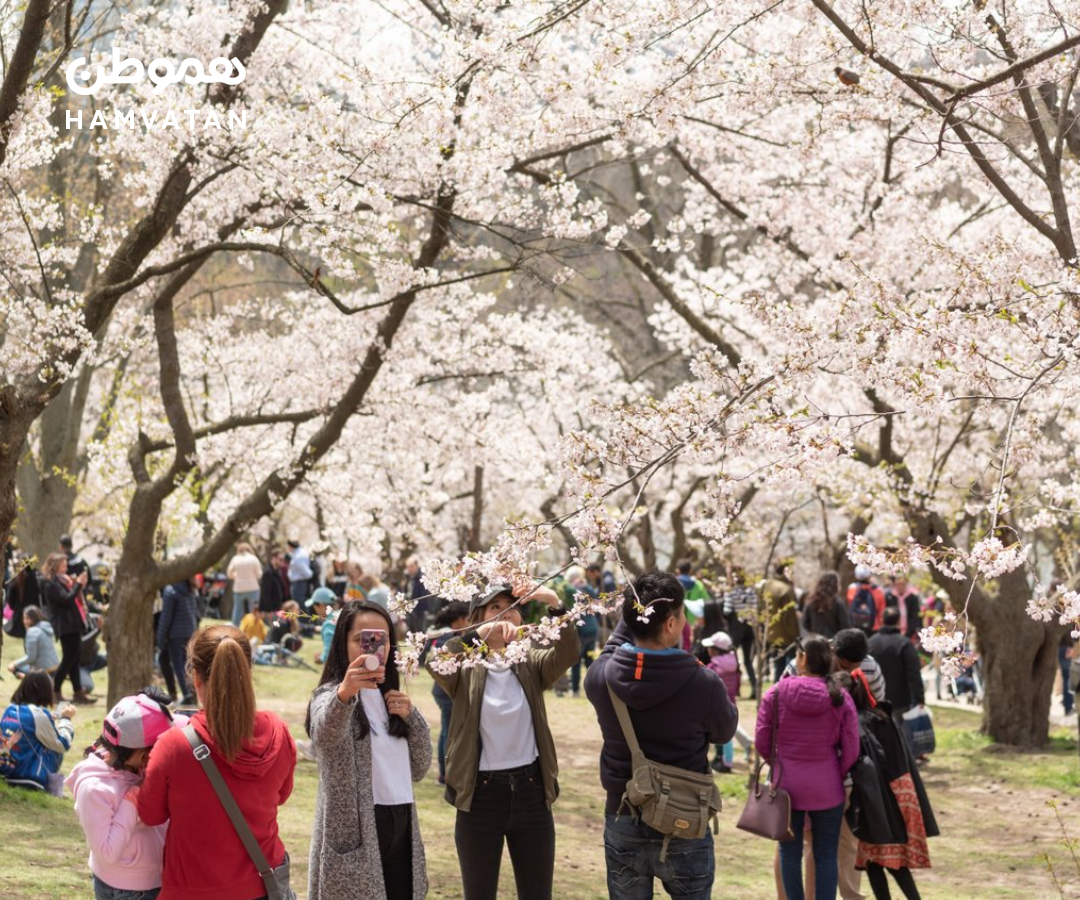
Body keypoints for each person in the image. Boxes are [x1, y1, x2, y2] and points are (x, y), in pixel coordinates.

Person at [585, 571, 738, 900]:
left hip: (623, 812)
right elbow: (724, 730)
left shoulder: (601, 677)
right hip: (685, 817)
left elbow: (614, 645)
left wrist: (636, 607)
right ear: (670, 623)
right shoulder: (704, 683)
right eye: (681, 614)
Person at [427, 581, 579, 900]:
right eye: (495, 608)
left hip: (532, 791)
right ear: (478, 618)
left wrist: (554, 603)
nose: (505, 615)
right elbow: (435, 662)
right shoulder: (465, 667)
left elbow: (568, 653)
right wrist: (476, 637)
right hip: (480, 795)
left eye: (512, 608)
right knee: (479, 892)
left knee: (537, 893)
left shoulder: (530, 662)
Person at [137, 625, 296, 900]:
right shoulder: (279, 733)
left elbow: (150, 814)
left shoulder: (174, 746)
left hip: (192, 890)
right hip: (263, 885)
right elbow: (281, 795)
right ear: (249, 672)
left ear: (195, 677)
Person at [306, 600, 432, 900]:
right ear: (343, 644)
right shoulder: (329, 696)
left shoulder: (394, 700)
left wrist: (411, 718)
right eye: (361, 638)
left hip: (401, 824)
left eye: (382, 638)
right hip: (355, 833)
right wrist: (345, 694)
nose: (374, 645)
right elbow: (323, 736)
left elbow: (420, 767)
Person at [756, 635, 859, 900]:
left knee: (789, 854)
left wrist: (777, 764)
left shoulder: (776, 692)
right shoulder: (840, 697)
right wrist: (838, 771)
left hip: (786, 785)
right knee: (825, 854)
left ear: (802, 658)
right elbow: (851, 748)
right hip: (827, 786)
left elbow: (762, 741)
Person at [67, 691, 178, 900]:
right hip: (133, 890)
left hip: (147, 881)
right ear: (143, 755)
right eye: (158, 749)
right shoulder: (94, 789)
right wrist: (135, 796)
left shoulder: (132, 767)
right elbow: (107, 852)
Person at [843, 672, 937, 900]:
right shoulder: (886, 715)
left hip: (883, 797)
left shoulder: (860, 724)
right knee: (875, 859)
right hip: (902, 792)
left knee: (888, 860)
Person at [0, 671, 75, 790]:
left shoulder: (10, 709)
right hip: (28, 778)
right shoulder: (38, 715)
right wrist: (66, 719)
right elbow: (62, 744)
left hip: (5, 773)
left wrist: (48, 718)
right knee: (54, 746)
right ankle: (53, 788)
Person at [41, 551, 94, 704]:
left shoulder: (64, 581)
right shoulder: (51, 584)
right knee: (69, 658)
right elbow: (68, 599)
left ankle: (78, 692)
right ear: (55, 566)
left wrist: (76, 585)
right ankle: (54, 689)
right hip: (65, 625)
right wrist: (78, 585)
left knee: (75, 658)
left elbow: (71, 597)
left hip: (73, 624)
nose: (66, 567)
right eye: (63, 564)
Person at [702, 630, 753, 772]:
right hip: (731, 701)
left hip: (716, 705)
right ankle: (725, 758)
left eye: (710, 647)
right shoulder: (734, 664)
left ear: (716, 650)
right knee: (729, 729)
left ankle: (727, 762)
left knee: (724, 736)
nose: (708, 649)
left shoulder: (713, 667)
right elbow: (737, 685)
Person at [430, 601, 469, 785]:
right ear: (460, 620)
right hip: (445, 691)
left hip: (445, 691)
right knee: (448, 732)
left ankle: (446, 774)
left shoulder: (448, 634)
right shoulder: (447, 637)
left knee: (448, 732)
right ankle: (446, 775)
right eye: (468, 618)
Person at [867, 609, 925, 721]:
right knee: (900, 734)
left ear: (881, 620)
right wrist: (919, 698)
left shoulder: (870, 643)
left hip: (875, 699)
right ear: (899, 622)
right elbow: (913, 672)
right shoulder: (904, 643)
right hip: (901, 700)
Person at [157, 578, 199, 705]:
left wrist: (160, 638)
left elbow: (166, 617)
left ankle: (187, 694)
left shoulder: (171, 591)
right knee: (188, 665)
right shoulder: (190, 588)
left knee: (178, 665)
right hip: (189, 631)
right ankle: (192, 693)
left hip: (175, 634)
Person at [723, 566, 759, 697]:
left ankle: (736, 688)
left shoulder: (731, 593)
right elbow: (755, 610)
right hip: (749, 628)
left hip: (736, 629)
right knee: (748, 661)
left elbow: (726, 611)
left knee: (733, 658)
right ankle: (755, 687)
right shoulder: (752, 592)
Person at [762, 562, 800, 683]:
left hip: (771, 632)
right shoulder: (784, 589)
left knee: (777, 665)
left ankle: (776, 692)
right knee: (790, 665)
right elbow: (789, 617)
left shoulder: (768, 585)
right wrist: (795, 634)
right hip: (786, 634)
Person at [834, 628, 887, 704]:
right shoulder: (821, 659)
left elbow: (878, 701)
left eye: (856, 668)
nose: (850, 674)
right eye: (844, 667)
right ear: (833, 651)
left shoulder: (870, 667)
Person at [7, 606, 59, 678]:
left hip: (43, 671)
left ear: (34, 618)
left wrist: (14, 664)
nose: (25, 621)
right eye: (24, 618)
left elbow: (31, 657)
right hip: (55, 668)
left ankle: (28, 677)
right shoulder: (45, 626)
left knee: (15, 667)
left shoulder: (32, 632)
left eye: (27, 618)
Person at [802, 571, 850, 639]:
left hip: (814, 641)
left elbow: (805, 623)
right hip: (832, 642)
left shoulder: (811, 601)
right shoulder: (838, 603)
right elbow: (845, 625)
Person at [226, 542, 263, 627]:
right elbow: (259, 574)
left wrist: (235, 576)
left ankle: (235, 626)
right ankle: (253, 626)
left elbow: (229, 573)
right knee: (253, 609)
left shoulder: (235, 559)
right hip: (252, 587)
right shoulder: (253, 559)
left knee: (237, 609)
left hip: (239, 587)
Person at [847, 566, 887, 634]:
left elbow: (850, 604)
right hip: (874, 626)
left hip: (856, 625)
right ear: (869, 576)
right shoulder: (878, 591)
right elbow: (882, 610)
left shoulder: (851, 589)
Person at [884, 576, 922, 642]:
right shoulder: (889, 596)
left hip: (908, 631)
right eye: (898, 584)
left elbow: (914, 617)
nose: (900, 587)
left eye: (903, 584)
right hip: (893, 632)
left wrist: (908, 633)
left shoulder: (912, 598)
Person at [306, 587, 338, 665]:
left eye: (315, 607)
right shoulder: (339, 617)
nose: (315, 610)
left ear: (321, 605)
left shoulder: (329, 624)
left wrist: (321, 659)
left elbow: (330, 651)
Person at [259, 548, 287, 620]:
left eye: (283, 560)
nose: (283, 562)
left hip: (277, 608)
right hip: (270, 611)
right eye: (280, 559)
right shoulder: (268, 573)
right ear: (274, 558)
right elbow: (266, 594)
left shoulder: (277, 571)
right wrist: (269, 611)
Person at [287, 539, 313, 605]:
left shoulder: (298, 557)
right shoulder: (299, 554)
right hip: (299, 583)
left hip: (299, 584)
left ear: (291, 546)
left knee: (300, 605)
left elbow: (307, 573)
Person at [1059, 632, 1075, 716]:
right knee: (1068, 682)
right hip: (1066, 651)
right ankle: (1068, 707)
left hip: (1063, 650)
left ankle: (1066, 702)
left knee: (1066, 681)